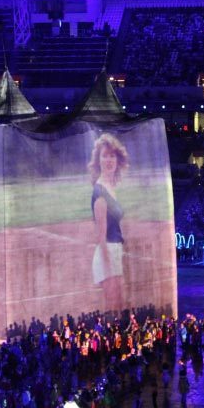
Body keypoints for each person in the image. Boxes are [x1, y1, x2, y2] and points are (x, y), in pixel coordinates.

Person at [88, 133, 129, 313]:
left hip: (115, 250)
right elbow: (101, 236)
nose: (109, 160)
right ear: (98, 160)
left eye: (112, 155)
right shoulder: (100, 192)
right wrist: (108, 264)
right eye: (105, 155)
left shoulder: (111, 188)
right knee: (114, 307)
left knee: (120, 304)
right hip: (107, 252)